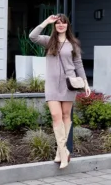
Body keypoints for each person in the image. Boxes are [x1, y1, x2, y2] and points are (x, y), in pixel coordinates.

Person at [29, 13, 91, 169]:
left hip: (69, 84)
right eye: (58, 23)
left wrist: (85, 83)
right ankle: (64, 153)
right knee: (55, 116)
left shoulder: (73, 44)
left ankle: (60, 152)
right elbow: (32, 36)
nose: (60, 25)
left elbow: (78, 64)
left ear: (67, 25)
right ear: (55, 26)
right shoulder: (49, 41)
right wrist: (46, 21)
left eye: (63, 23)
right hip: (52, 85)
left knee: (65, 115)